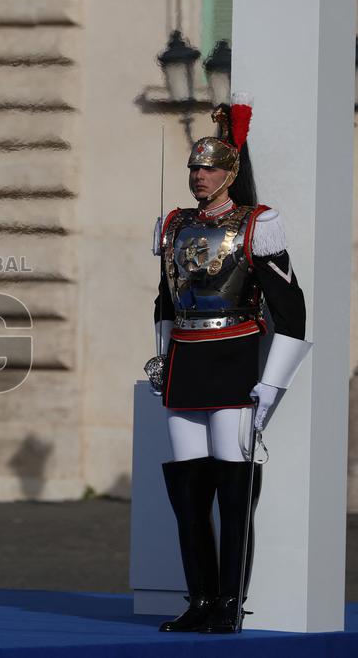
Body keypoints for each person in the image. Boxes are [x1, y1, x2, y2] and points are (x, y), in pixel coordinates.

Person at [149, 94, 311, 633]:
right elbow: (166, 301)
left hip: (235, 358)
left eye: (210, 167)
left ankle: (228, 603)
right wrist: (160, 357)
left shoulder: (256, 224)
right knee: (188, 495)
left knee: (234, 488)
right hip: (185, 363)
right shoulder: (174, 226)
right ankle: (199, 600)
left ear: (230, 171)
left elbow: (291, 310)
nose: (199, 175)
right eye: (195, 167)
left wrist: (272, 382)